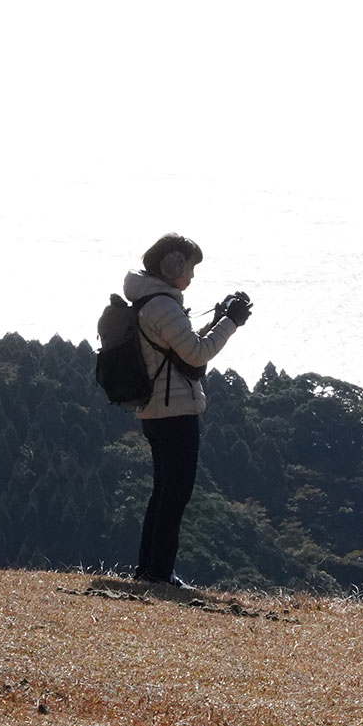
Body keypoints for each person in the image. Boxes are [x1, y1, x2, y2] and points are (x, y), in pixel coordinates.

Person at [124, 233, 252, 586]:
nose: (192, 277)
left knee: (162, 492)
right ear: (173, 267)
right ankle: (160, 573)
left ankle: (148, 569)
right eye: (189, 268)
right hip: (174, 411)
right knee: (174, 495)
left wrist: (220, 317)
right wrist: (231, 322)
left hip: (157, 409)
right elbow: (196, 354)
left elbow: (182, 347)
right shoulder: (163, 306)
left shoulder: (148, 299)